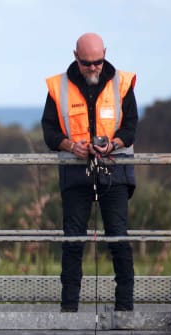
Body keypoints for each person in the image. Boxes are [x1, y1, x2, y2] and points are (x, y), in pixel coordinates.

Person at [42, 32, 138, 312]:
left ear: (105, 53)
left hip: (115, 171)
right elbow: (49, 132)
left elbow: (130, 127)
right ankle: (69, 309)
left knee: (118, 237)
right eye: (87, 63)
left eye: (98, 61)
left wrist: (113, 143)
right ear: (75, 57)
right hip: (75, 172)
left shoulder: (122, 83)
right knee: (73, 240)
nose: (93, 67)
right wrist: (73, 147)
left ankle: (125, 309)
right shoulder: (57, 87)